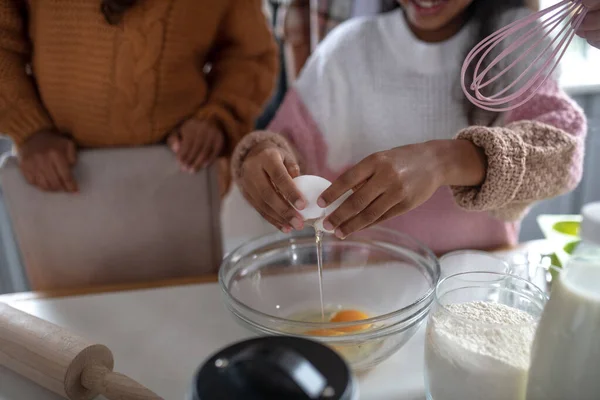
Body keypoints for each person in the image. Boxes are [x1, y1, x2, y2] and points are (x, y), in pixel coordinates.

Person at [232, 0, 587, 254]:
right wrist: (261, 155)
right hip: (371, 280)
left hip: (476, 276)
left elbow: (562, 157)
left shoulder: (515, 41)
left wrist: (442, 161)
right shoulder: (347, 48)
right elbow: (289, 145)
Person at [0, 0, 278, 194]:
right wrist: (30, 129)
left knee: (188, 279)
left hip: (181, 175)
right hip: (54, 175)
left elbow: (249, 55)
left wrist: (218, 118)